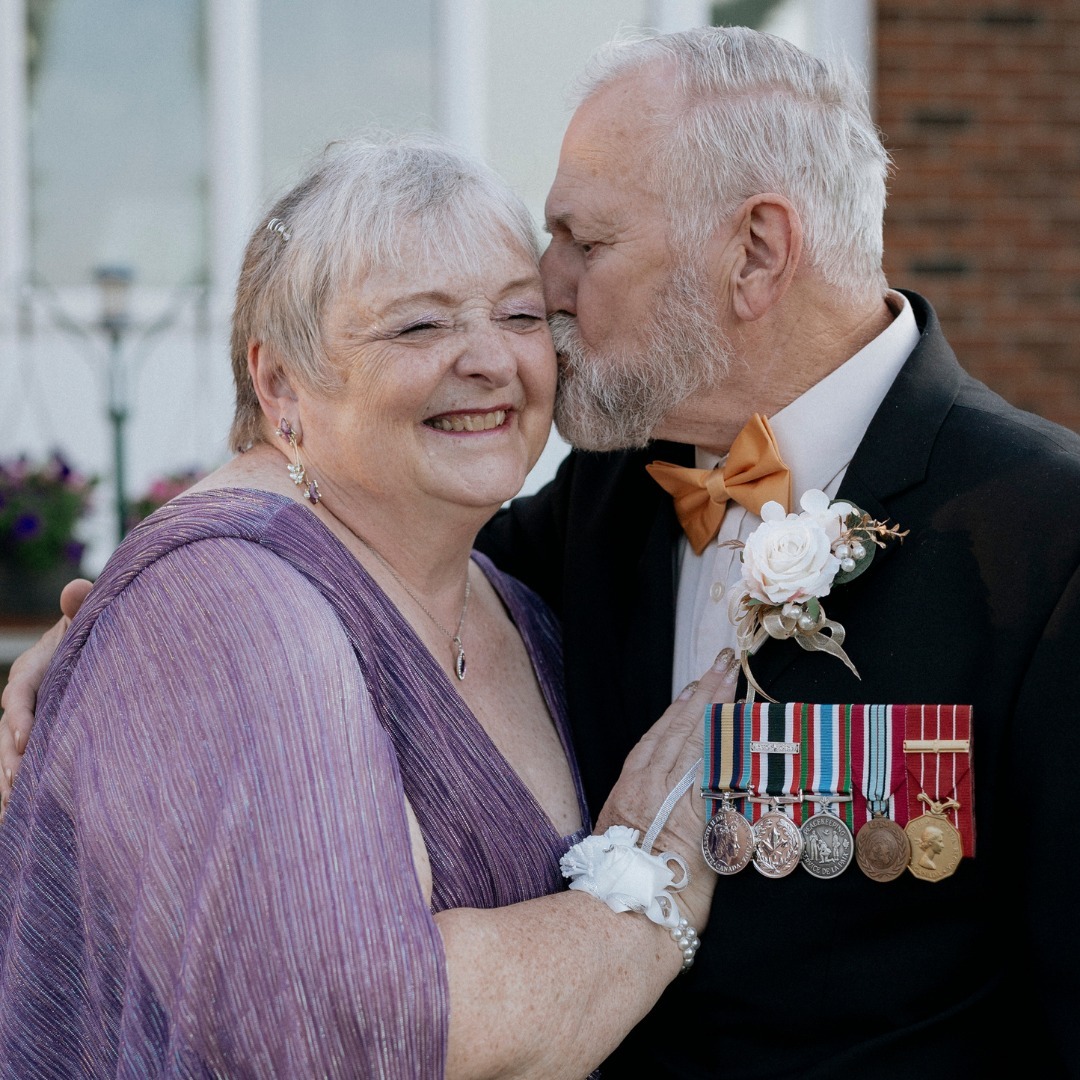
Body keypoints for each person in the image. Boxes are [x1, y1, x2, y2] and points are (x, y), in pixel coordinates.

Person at [5, 24, 1080, 1078]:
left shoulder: (1049, 542)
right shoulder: (612, 497)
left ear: (755, 253)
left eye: (583, 244)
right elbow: (354, 541)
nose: (548, 287)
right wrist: (140, 609)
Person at [0, 134, 737, 1079]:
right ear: (280, 383)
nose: (490, 360)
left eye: (519, 314)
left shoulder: (513, 588)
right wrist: (653, 883)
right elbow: (356, 1031)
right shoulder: (230, 602)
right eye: (419, 326)